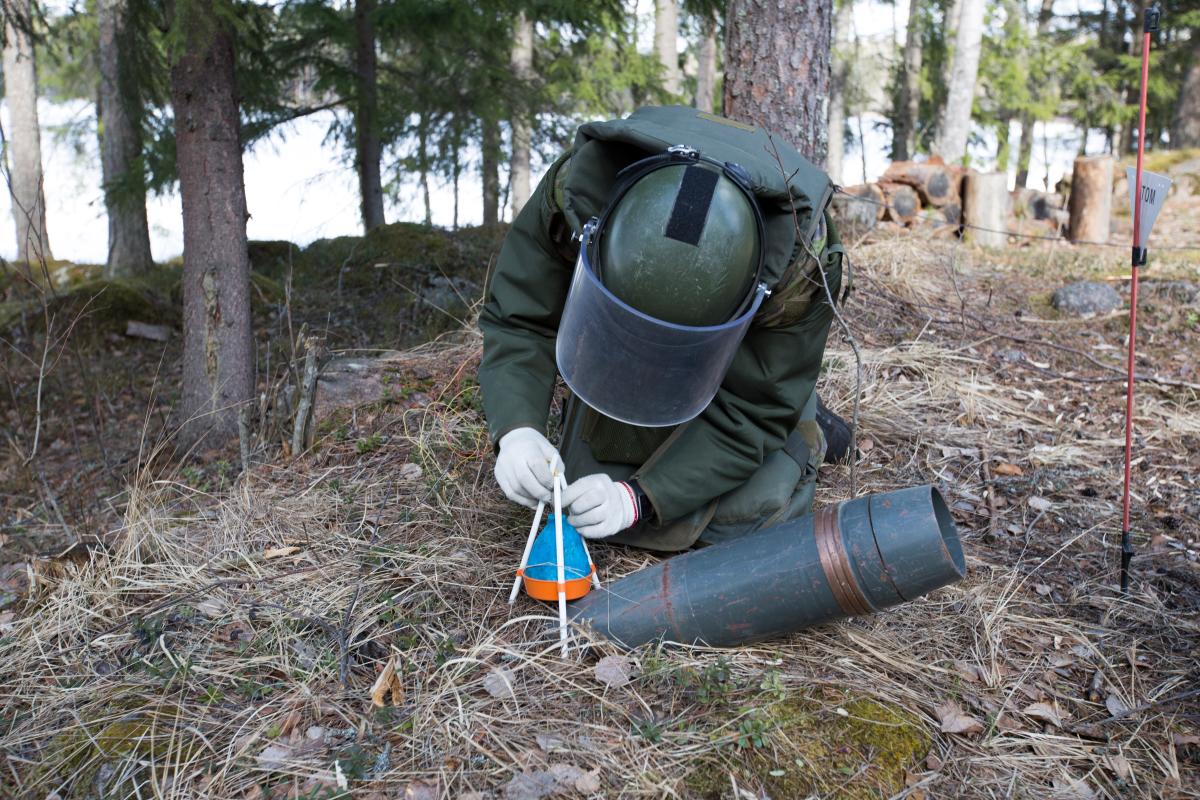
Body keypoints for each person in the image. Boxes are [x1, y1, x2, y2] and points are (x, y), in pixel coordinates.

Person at [478, 106, 846, 551]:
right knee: (577, 488)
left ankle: (810, 412)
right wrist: (517, 428)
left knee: (744, 518)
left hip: (739, 367)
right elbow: (520, 318)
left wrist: (640, 500)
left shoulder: (800, 265)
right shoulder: (576, 195)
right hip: (611, 351)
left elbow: (757, 406)